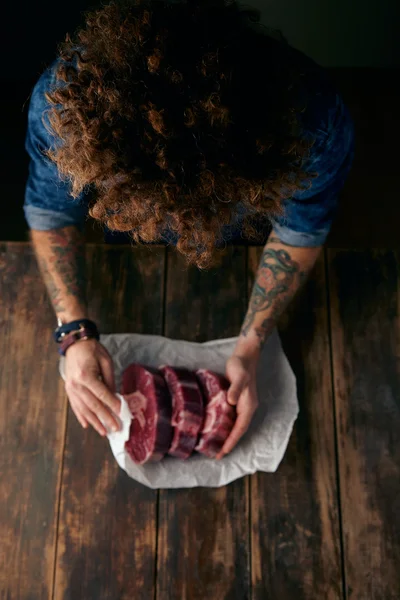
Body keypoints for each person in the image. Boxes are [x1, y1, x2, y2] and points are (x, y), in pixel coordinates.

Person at [23, 0, 354, 459]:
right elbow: (50, 213)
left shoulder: (312, 118)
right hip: (129, 246)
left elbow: (302, 227)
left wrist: (251, 344)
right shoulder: (66, 105)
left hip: (246, 239)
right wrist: (73, 332)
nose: (181, 234)